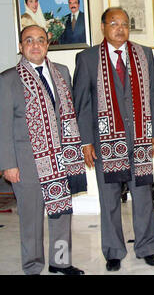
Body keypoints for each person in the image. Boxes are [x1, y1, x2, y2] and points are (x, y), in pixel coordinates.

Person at [72, 7, 154, 271]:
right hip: (105, 142)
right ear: (103, 27)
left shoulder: (144, 54)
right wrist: (86, 142)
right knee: (109, 198)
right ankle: (113, 251)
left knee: (143, 195)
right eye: (114, 23)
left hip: (141, 139)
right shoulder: (87, 58)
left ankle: (146, 248)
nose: (120, 28)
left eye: (124, 23)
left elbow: (153, 96)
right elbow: (82, 103)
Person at [0, 25, 86, 275]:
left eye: (40, 40)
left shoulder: (61, 72)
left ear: (48, 44)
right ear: (21, 46)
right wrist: (8, 164)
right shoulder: (7, 80)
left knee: (61, 214)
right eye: (29, 40)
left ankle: (60, 262)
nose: (35, 45)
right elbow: (3, 125)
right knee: (31, 219)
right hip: (26, 162)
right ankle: (32, 266)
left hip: (61, 158)